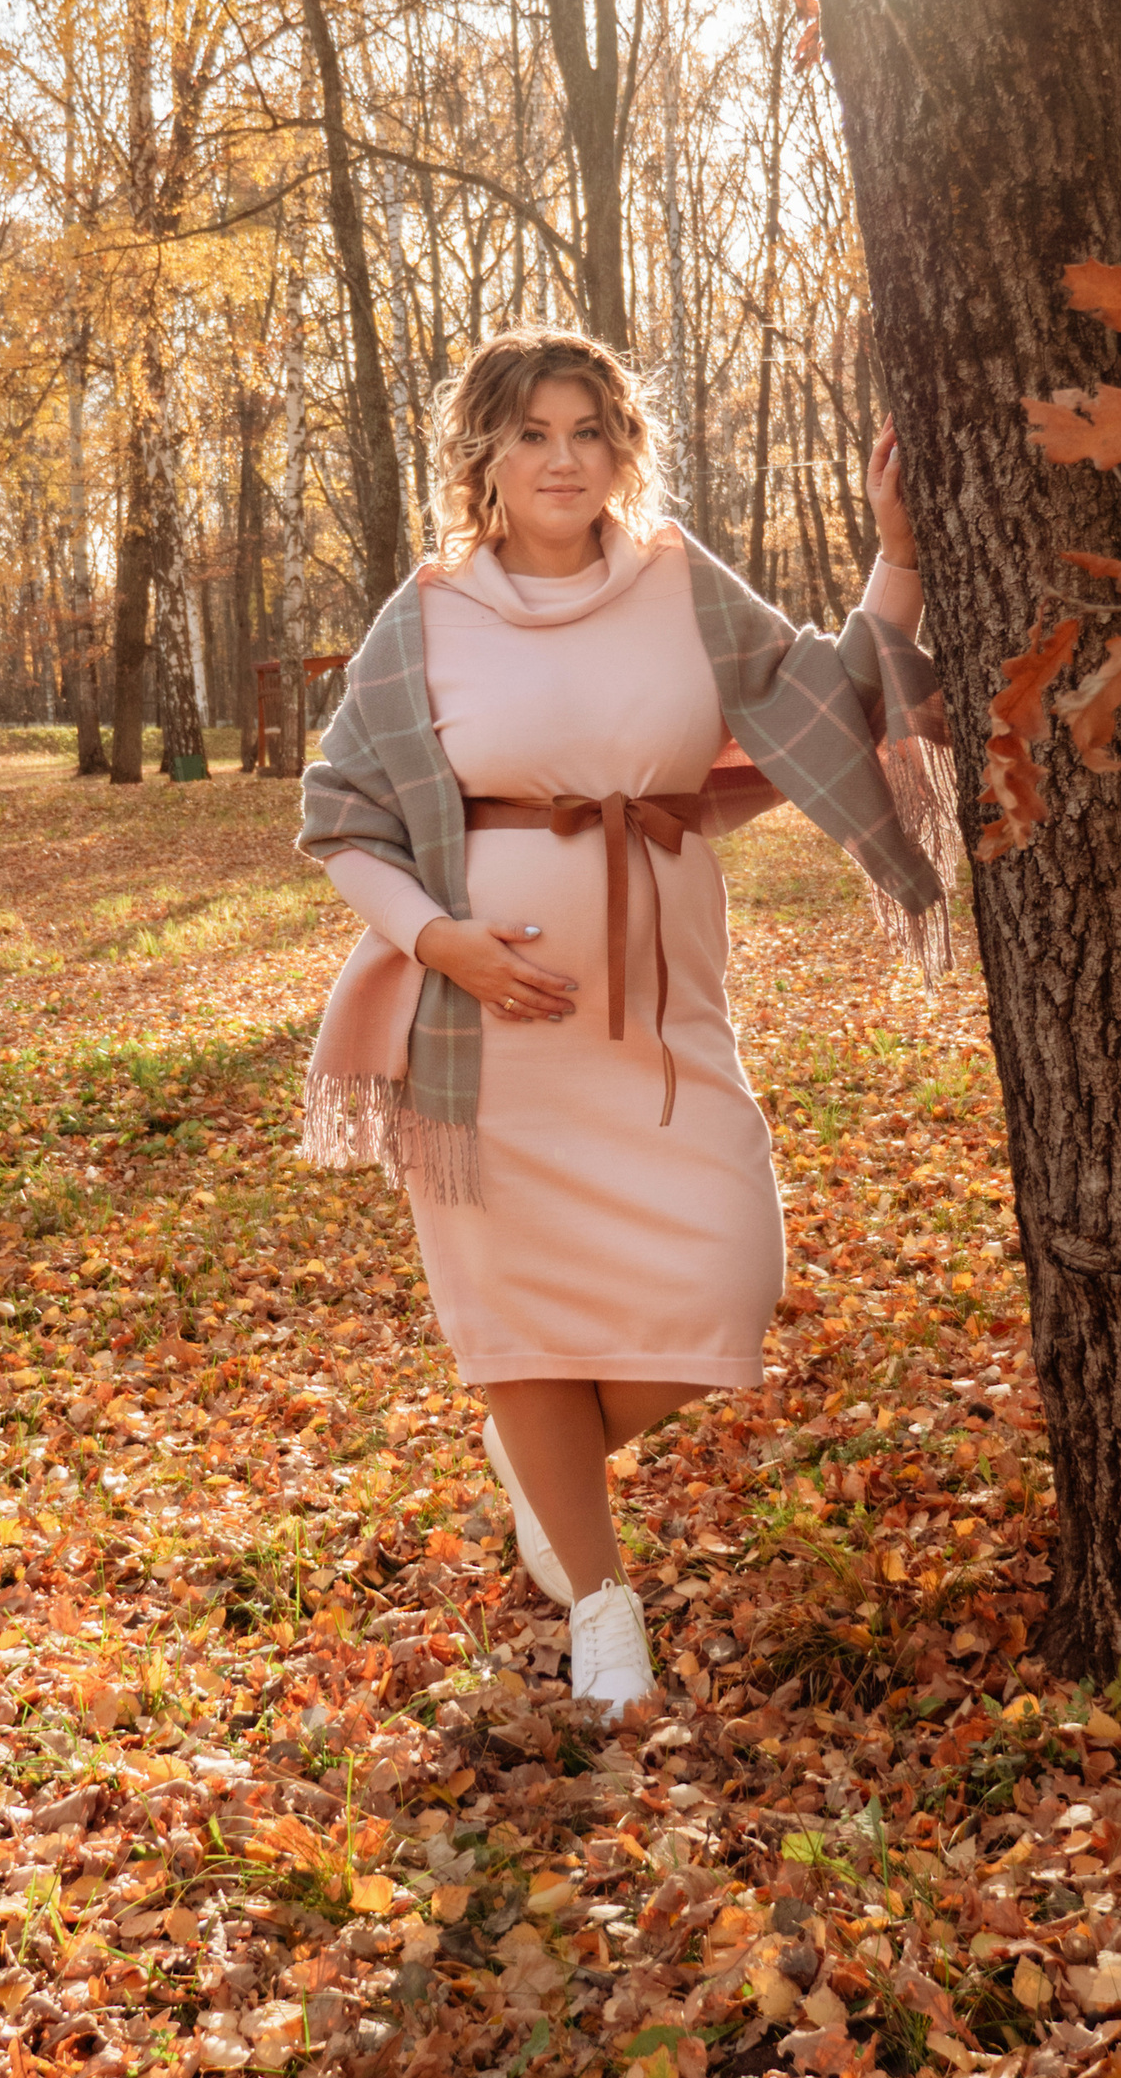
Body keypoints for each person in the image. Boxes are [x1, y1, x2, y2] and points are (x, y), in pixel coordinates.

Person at [298, 329, 955, 1716]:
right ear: (482, 453)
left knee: (731, 1273)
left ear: (621, 449)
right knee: (523, 1322)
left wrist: (897, 556)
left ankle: (550, 1471)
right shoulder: (428, 611)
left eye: (588, 428)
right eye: (532, 431)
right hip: (486, 1036)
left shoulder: (677, 582)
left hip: (664, 1018)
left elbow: (824, 700)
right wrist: (442, 941)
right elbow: (341, 818)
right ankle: (602, 1608)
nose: (562, 457)